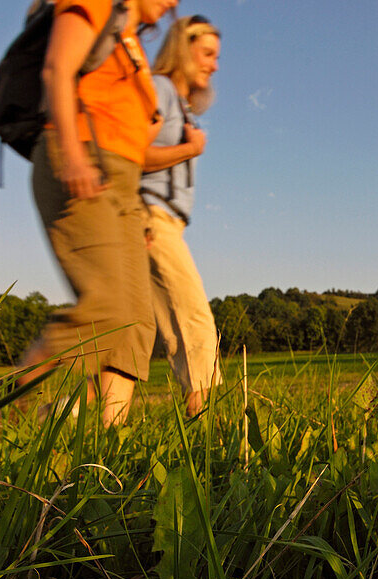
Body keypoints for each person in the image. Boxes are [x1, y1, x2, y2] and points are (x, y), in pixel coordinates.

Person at [14, 0, 179, 426]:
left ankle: (102, 436)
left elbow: (135, 148)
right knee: (108, 307)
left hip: (122, 185)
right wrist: (70, 153)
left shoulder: (132, 47)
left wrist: (138, 211)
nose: (174, 2)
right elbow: (56, 69)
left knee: (137, 322)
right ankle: (8, 401)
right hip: (80, 160)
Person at [140, 15, 222, 417]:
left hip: (160, 220)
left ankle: (40, 411)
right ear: (183, 49)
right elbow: (133, 155)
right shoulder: (159, 90)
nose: (214, 64)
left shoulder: (178, 101)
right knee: (195, 326)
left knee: (122, 338)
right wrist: (190, 150)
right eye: (207, 53)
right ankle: (203, 447)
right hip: (152, 218)